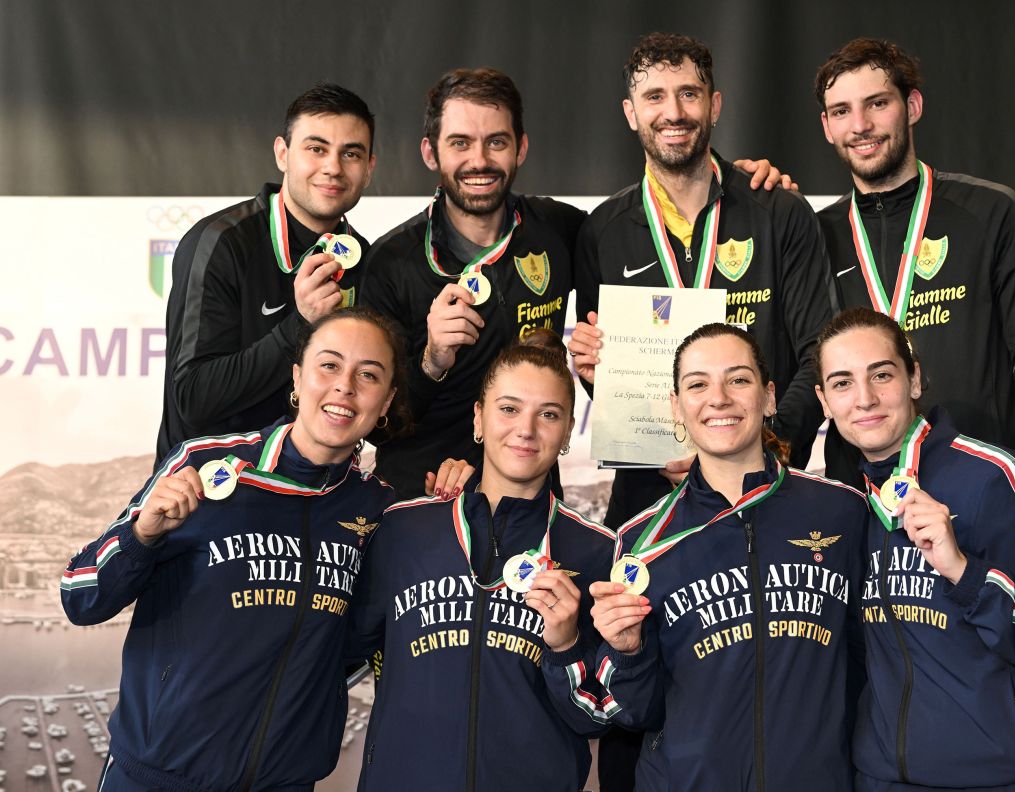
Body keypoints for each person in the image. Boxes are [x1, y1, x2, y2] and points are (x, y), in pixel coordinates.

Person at [362, 67, 792, 499]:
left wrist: (736, 187)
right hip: (427, 497)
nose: (479, 160)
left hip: (534, 502)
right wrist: (432, 362)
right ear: (430, 152)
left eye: (496, 142)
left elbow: (650, 219)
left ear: (521, 148)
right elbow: (377, 427)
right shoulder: (391, 262)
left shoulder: (560, 229)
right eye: (460, 143)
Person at [62, 308, 419, 791]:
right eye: (329, 365)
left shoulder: (377, 509)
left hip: (284, 782)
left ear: (387, 399)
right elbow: (80, 597)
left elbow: (356, 641)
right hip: (158, 776)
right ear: (298, 377)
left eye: (369, 375)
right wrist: (142, 536)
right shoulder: (206, 463)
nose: (344, 387)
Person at [812, 307, 1015, 792]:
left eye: (881, 375)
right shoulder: (846, 504)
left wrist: (967, 573)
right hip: (888, 778)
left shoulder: (999, 477)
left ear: (914, 379)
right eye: (842, 383)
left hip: (1013, 777)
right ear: (823, 400)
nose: (864, 398)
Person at [570, 31, 834, 529]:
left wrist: (764, 448)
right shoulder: (601, 232)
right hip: (650, 498)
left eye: (688, 93)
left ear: (714, 105)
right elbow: (607, 377)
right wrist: (594, 374)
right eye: (654, 96)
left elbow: (820, 353)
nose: (673, 112)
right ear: (630, 113)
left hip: (767, 489)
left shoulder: (779, 212)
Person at [589, 323, 867, 792]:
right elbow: (636, 713)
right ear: (676, 406)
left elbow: (872, 664)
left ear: (769, 396)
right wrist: (628, 653)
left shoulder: (842, 510)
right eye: (697, 384)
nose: (718, 398)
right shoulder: (641, 541)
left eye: (738, 379)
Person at [347, 330, 618, 791]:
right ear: (479, 417)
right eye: (508, 408)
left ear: (568, 430)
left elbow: (597, 717)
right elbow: (336, 652)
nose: (526, 429)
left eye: (548, 414)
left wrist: (567, 647)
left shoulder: (595, 551)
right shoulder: (403, 529)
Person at [813, 37, 1015, 485]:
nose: (860, 125)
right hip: (863, 492)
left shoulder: (990, 212)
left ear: (912, 106)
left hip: (981, 483)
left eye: (877, 103)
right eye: (841, 111)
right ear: (827, 126)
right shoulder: (817, 235)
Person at [155, 83, 377, 466]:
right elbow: (194, 399)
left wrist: (432, 360)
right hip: (213, 487)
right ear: (282, 154)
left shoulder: (366, 260)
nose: (333, 167)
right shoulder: (221, 243)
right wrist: (300, 323)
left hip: (315, 487)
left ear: (369, 168)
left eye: (351, 153)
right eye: (316, 148)